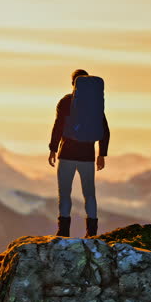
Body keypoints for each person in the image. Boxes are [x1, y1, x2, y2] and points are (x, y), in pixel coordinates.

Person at [48, 69, 110, 238]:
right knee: (89, 194)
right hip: (87, 156)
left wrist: (53, 149)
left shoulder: (65, 102)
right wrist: (101, 154)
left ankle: (63, 231)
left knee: (65, 193)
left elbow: (58, 126)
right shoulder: (95, 105)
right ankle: (92, 232)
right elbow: (105, 130)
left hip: (67, 154)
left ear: (73, 83)